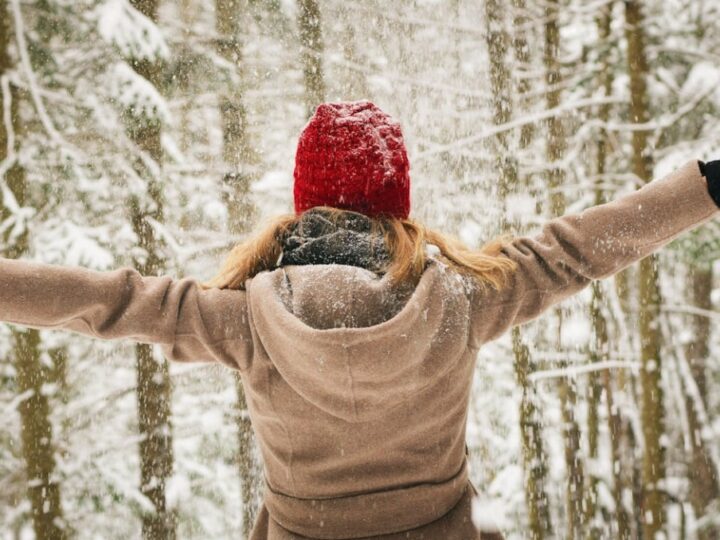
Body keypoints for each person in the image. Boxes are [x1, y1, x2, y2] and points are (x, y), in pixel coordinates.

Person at [1, 100, 719, 539]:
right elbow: (579, 250)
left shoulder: (243, 319)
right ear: (397, 201)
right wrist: (708, 186)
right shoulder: (463, 300)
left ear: (303, 203)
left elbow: (108, 299)